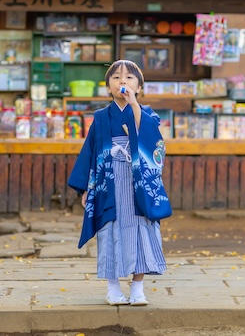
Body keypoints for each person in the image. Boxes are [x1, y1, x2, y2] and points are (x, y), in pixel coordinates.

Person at [68, 60, 171, 307]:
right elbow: (89, 152)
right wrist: (85, 187)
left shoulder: (147, 114)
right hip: (109, 180)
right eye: (116, 78)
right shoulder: (101, 117)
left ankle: (137, 287)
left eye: (129, 78)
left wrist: (134, 104)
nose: (122, 81)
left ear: (140, 87)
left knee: (141, 231)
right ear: (107, 88)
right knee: (109, 231)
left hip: (138, 185)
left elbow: (150, 141)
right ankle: (113, 289)